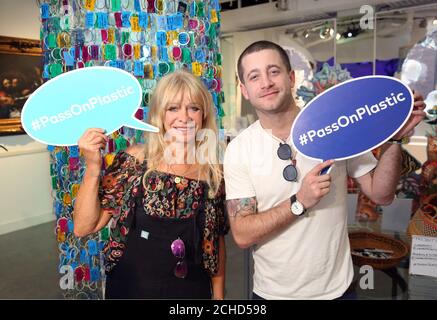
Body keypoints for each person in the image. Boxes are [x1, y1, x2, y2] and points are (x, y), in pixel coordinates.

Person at [223, 40, 426, 300]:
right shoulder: (239, 150)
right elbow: (241, 234)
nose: (266, 82)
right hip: (273, 294)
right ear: (244, 90)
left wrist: (394, 141)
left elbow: (380, 194)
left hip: (337, 291)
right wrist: (300, 202)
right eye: (255, 76)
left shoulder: (335, 125)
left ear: (291, 77)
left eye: (274, 71)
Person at [73, 70, 228, 299]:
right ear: (160, 114)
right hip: (132, 289)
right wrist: (93, 168)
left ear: (203, 114)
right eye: (173, 108)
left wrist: (218, 296)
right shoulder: (134, 161)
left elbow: (215, 243)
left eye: (193, 108)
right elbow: (84, 227)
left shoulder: (213, 174)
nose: (184, 117)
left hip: (190, 292)